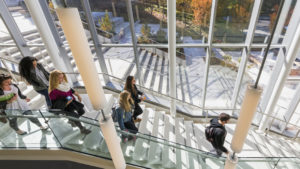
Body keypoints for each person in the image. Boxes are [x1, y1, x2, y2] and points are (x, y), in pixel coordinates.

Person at [49, 70, 91, 134]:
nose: (62, 79)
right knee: (75, 116)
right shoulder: (53, 91)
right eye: (60, 78)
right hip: (65, 106)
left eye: (62, 77)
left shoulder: (64, 84)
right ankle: (82, 129)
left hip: (72, 102)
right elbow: (55, 104)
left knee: (82, 111)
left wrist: (78, 96)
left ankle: (71, 120)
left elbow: (71, 90)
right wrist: (67, 102)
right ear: (54, 79)